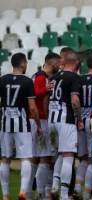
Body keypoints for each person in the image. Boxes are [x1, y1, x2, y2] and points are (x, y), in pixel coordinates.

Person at [0, 52, 43, 200]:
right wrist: (38, 125)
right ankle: (23, 191)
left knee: (5, 158)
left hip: (5, 124)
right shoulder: (26, 81)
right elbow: (32, 107)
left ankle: (5, 195)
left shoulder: (2, 80)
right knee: (25, 158)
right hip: (22, 125)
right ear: (23, 64)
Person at [47, 50, 83, 200]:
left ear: (63, 62)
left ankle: (54, 186)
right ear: (76, 63)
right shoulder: (74, 77)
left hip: (52, 120)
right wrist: (79, 118)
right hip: (65, 120)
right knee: (69, 156)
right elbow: (74, 101)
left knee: (61, 154)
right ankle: (63, 195)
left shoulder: (54, 77)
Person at [31, 52, 60, 200]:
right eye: (58, 64)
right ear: (54, 64)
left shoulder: (37, 75)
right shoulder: (41, 77)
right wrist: (46, 89)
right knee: (45, 157)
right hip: (39, 119)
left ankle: (33, 192)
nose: (59, 67)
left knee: (37, 157)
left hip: (34, 119)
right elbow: (34, 93)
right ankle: (41, 194)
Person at [74, 53, 92, 200]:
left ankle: (77, 189)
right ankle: (86, 194)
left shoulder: (80, 79)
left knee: (83, 157)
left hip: (80, 120)